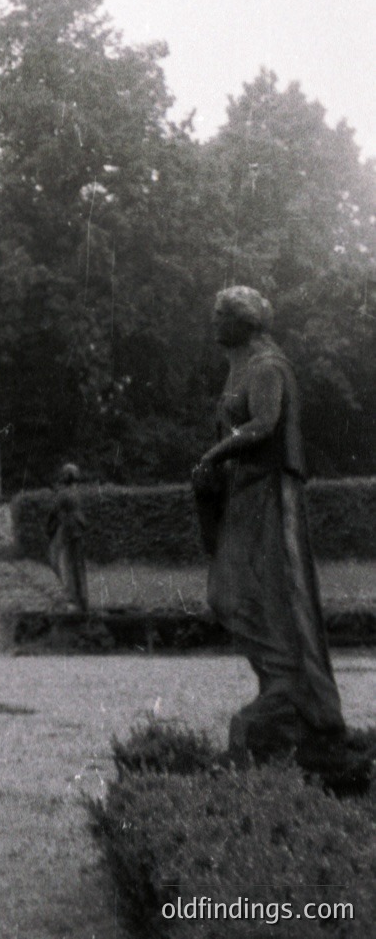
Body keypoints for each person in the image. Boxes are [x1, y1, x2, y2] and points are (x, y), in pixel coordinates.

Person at [192, 286, 354, 774]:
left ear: (244, 321)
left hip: (269, 490)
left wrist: (214, 454)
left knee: (270, 590)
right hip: (244, 490)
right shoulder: (239, 365)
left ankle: (293, 690)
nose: (214, 322)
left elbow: (264, 424)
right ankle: (278, 684)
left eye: (221, 315)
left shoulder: (267, 366)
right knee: (231, 593)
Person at [46, 463, 88, 612]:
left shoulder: (63, 494)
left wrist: (49, 529)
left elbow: (53, 511)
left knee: (66, 565)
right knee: (77, 567)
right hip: (77, 531)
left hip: (68, 532)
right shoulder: (76, 492)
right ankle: (81, 600)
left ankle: (72, 600)